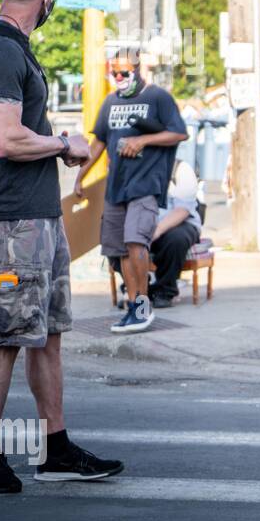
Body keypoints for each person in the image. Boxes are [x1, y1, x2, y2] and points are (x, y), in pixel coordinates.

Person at [0, 0, 123, 492]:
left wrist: (59, 151)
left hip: (37, 215)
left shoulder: (15, 51)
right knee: (6, 335)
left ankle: (55, 449)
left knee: (47, 334)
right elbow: (4, 138)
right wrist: (63, 143)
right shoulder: (1, 52)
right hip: (8, 221)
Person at [75, 53, 188, 334]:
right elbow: (98, 142)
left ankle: (143, 305)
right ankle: (133, 304)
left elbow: (179, 133)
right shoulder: (111, 101)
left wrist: (143, 140)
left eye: (125, 73)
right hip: (116, 187)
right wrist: (80, 176)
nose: (120, 78)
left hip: (146, 185)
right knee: (120, 249)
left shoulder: (157, 97)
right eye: (115, 73)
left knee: (136, 242)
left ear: (140, 70)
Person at [148, 159, 204, 308]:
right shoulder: (137, 167)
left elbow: (182, 210)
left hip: (181, 222)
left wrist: (157, 230)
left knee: (175, 239)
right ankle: (138, 289)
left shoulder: (181, 169)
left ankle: (165, 291)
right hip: (144, 221)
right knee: (113, 237)